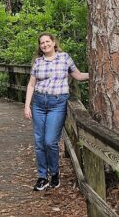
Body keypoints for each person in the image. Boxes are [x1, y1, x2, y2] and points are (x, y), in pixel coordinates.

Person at [24, 33, 89, 191]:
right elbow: (31, 85)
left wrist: (97, 74)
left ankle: (54, 173)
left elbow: (78, 75)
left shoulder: (64, 58)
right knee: (39, 142)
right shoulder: (38, 62)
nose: (45, 45)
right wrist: (27, 105)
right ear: (40, 46)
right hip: (38, 103)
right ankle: (42, 177)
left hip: (57, 103)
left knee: (50, 141)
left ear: (54, 43)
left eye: (47, 41)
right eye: (42, 43)